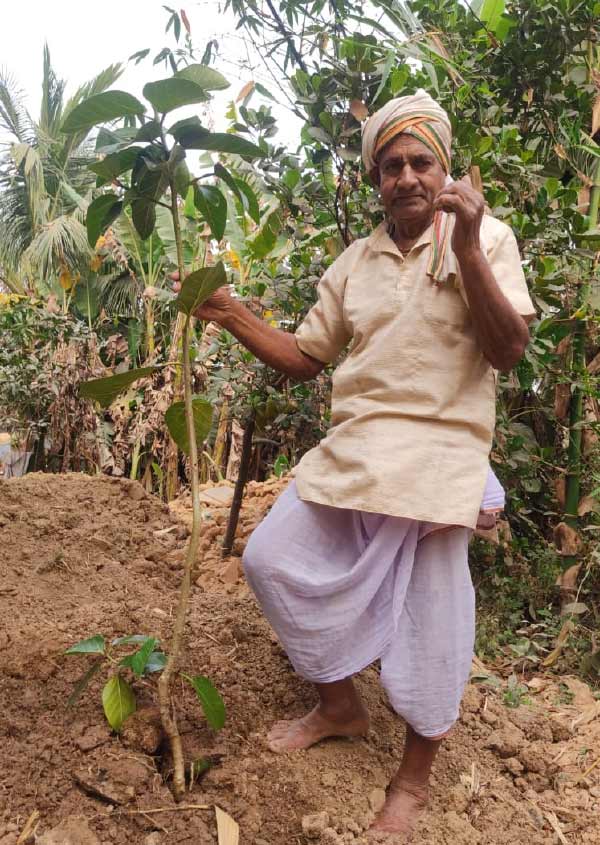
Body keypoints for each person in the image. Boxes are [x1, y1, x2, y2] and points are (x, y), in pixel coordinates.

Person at [173, 90, 535, 839]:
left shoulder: (487, 238)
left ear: (444, 168)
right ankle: (339, 702)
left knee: (433, 622)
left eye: (420, 161)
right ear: (375, 179)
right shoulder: (354, 263)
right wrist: (232, 313)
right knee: (270, 559)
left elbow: (506, 350)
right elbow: (306, 357)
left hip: (441, 453)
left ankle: (412, 779)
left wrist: (465, 247)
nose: (405, 176)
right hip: (358, 448)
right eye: (390, 165)